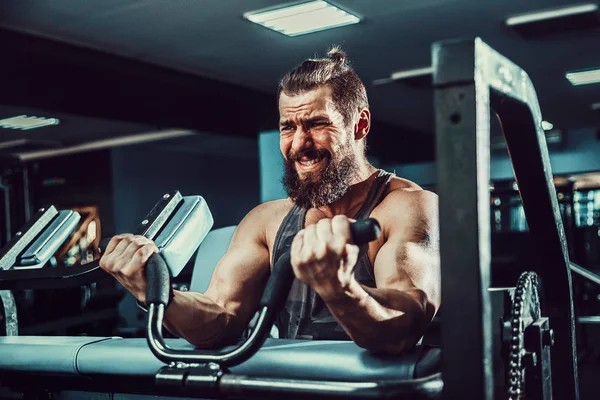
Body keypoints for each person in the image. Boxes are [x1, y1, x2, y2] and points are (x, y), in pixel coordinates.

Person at [100, 47, 441, 355]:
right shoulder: (268, 221)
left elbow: (405, 321)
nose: (299, 143)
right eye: (287, 127)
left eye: (317, 124)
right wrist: (157, 294)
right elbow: (220, 318)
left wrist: (340, 288)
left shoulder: (407, 206)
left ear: (359, 125)